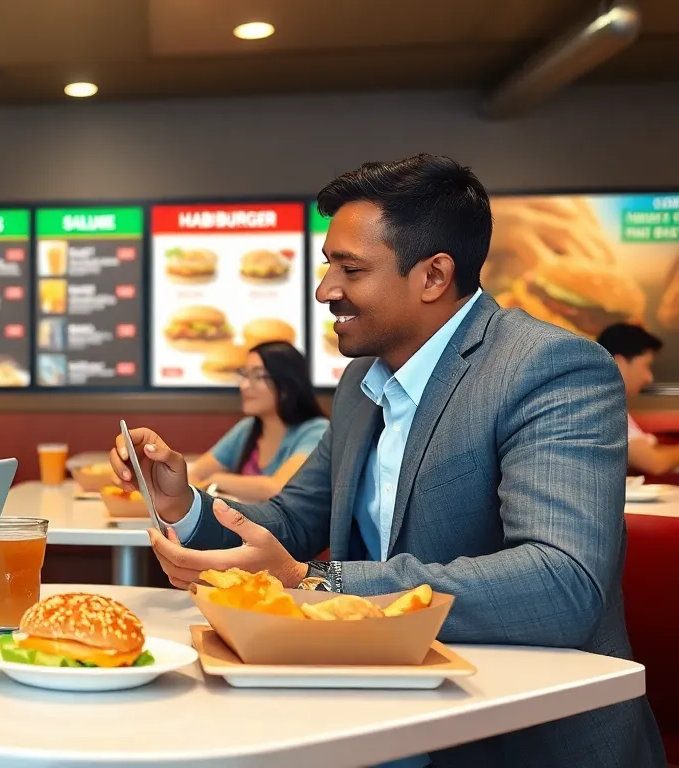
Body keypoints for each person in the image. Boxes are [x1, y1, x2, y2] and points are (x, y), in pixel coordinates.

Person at [110, 155, 664, 768]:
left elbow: (562, 583)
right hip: (383, 715)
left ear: (432, 276)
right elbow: (291, 521)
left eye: (350, 269)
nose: (325, 291)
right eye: (328, 267)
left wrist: (316, 585)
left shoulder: (549, 367)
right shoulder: (359, 383)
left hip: (517, 736)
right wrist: (184, 504)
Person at [187, 341, 328, 502]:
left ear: (287, 386)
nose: (244, 385)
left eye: (259, 376)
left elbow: (279, 487)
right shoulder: (247, 429)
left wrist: (217, 480)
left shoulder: (316, 430)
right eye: (244, 375)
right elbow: (193, 476)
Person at [596, 322, 679, 476]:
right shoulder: (599, 405)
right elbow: (654, 463)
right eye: (646, 366)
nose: (649, 377)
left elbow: (645, 450)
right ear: (618, 362)